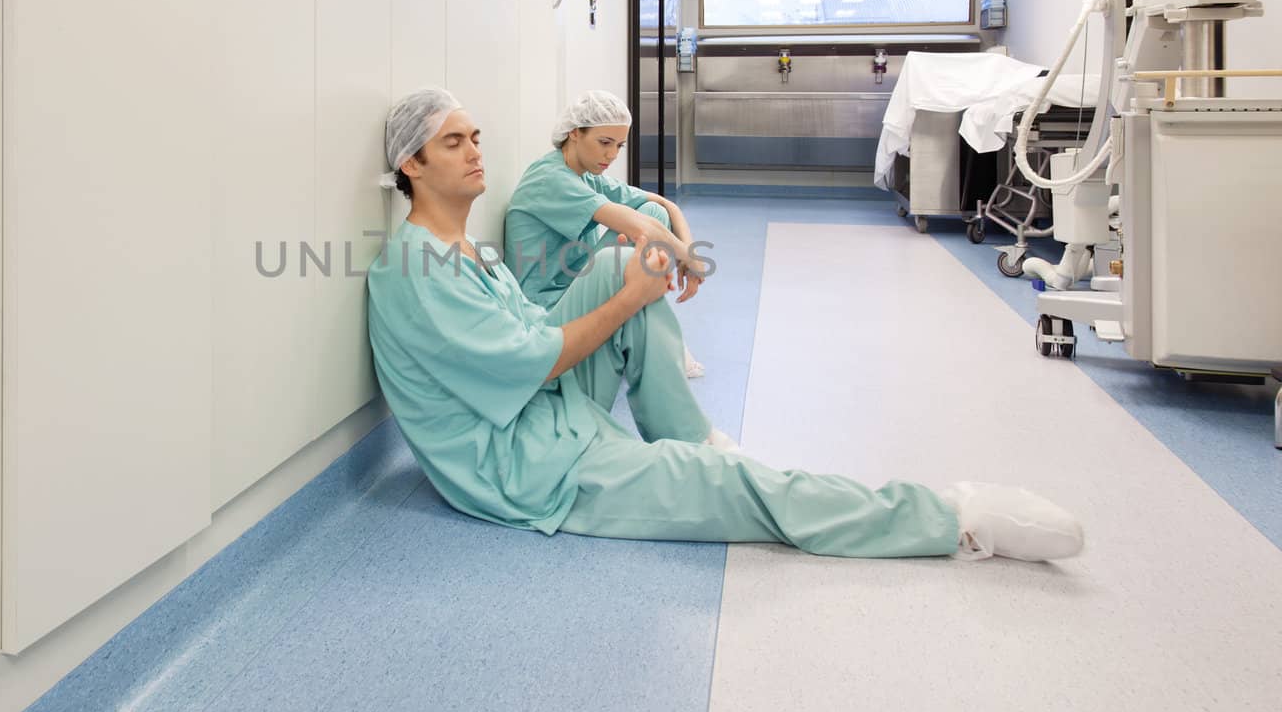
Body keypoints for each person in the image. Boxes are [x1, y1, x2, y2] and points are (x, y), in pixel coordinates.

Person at [367, 87, 1084, 561]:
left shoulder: (470, 251)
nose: (475, 150)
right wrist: (630, 294)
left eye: (475, 136)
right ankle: (951, 518)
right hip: (526, 468)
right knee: (737, 491)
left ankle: (694, 439)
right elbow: (538, 360)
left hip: (546, 414)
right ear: (412, 164)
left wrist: (646, 266)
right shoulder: (416, 268)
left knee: (623, 267)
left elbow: (549, 324)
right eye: (454, 142)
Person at [506, 90, 708, 378]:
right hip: (545, 313)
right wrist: (687, 256)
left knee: (653, 213)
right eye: (604, 143)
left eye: (619, 146)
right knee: (645, 227)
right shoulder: (550, 179)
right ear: (574, 133)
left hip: (576, 291)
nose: (611, 155)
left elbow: (665, 204)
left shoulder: (585, 176)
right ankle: (658, 344)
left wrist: (689, 257)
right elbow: (641, 227)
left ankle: (654, 341)